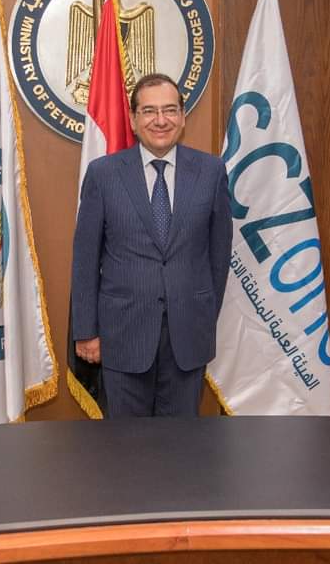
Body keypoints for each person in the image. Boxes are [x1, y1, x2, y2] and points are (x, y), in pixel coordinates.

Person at [71, 73, 233, 417]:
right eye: (149, 111)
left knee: (179, 441)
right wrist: (86, 331)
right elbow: (85, 258)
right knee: (127, 443)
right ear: (133, 119)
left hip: (188, 334)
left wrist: (203, 314)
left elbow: (219, 255)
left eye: (170, 110)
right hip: (122, 335)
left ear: (183, 116)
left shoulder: (211, 171)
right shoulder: (103, 174)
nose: (161, 120)